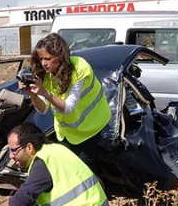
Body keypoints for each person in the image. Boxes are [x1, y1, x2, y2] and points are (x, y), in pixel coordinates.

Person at [19, 33, 111, 170]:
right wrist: (32, 95)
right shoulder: (45, 73)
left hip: (91, 126)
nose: (44, 63)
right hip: (66, 131)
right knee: (65, 167)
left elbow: (68, 107)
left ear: (60, 56)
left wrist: (45, 93)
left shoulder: (79, 68)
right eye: (41, 59)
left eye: (48, 58)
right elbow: (43, 109)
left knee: (85, 169)